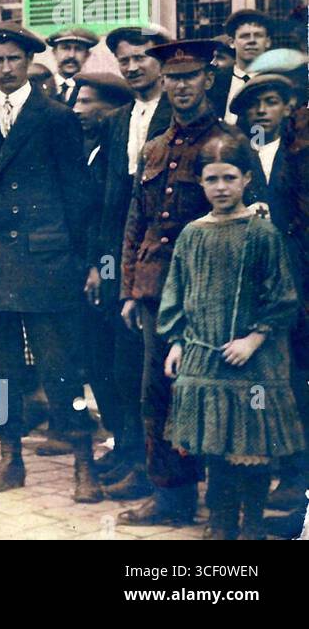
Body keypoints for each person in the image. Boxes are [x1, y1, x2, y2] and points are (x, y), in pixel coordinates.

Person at [118, 38, 265, 527]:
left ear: (208, 79)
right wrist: (130, 289)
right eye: (173, 78)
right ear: (163, 82)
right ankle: (172, 496)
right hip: (158, 296)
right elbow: (137, 221)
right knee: (156, 395)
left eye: (191, 77)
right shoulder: (156, 146)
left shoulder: (230, 144)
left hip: (216, 300)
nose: (181, 87)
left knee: (215, 397)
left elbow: (255, 223)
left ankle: (224, 508)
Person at [0, 24, 102, 502]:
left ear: (27, 64)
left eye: (11, 61)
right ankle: (9, 458)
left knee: (60, 368)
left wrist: (81, 260)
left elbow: (77, 195)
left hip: (46, 260)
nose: (3, 70)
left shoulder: (56, 117)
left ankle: (84, 462)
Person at [159, 135, 304, 539]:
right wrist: (176, 343)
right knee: (215, 444)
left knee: (251, 445)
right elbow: (178, 292)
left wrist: (253, 340)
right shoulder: (191, 234)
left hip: (253, 358)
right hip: (205, 356)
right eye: (211, 179)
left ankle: (253, 524)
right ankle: (221, 521)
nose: (220, 187)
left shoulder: (262, 233)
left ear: (245, 180)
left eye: (229, 177)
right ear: (201, 183)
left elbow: (282, 298)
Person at [83, 25, 173, 496]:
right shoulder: (119, 121)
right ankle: (130, 453)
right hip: (122, 254)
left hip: (166, 257)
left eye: (141, 57)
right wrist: (102, 263)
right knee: (120, 364)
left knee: (153, 370)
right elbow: (109, 200)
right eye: (125, 60)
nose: (133, 67)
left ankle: (156, 470)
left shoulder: (177, 112)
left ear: (159, 62)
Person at [229, 72, 309, 513]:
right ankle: (259, 469)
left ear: (287, 107)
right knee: (258, 375)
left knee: (295, 375)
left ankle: (297, 472)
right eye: (254, 106)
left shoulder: (299, 153)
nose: (262, 112)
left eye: (272, 102)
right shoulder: (238, 156)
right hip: (250, 281)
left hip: (297, 276)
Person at [208, 9, 273, 125]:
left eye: (258, 35)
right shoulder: (215, 82)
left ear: (267, 42)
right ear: (232, 42)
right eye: (244, 36)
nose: (252, 41)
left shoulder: (277, 80)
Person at [71, 71, 133, 152]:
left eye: (86, 102)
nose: (76, 110)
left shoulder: (126, 144)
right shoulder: (81, 144)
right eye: (77, 102)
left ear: (112, 105)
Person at [47, 27, 99, 107]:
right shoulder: (38, 88)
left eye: (78, 49)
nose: (71, 55)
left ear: (87, 55)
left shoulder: (94, 91)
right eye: (65, 48)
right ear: (54, 52)